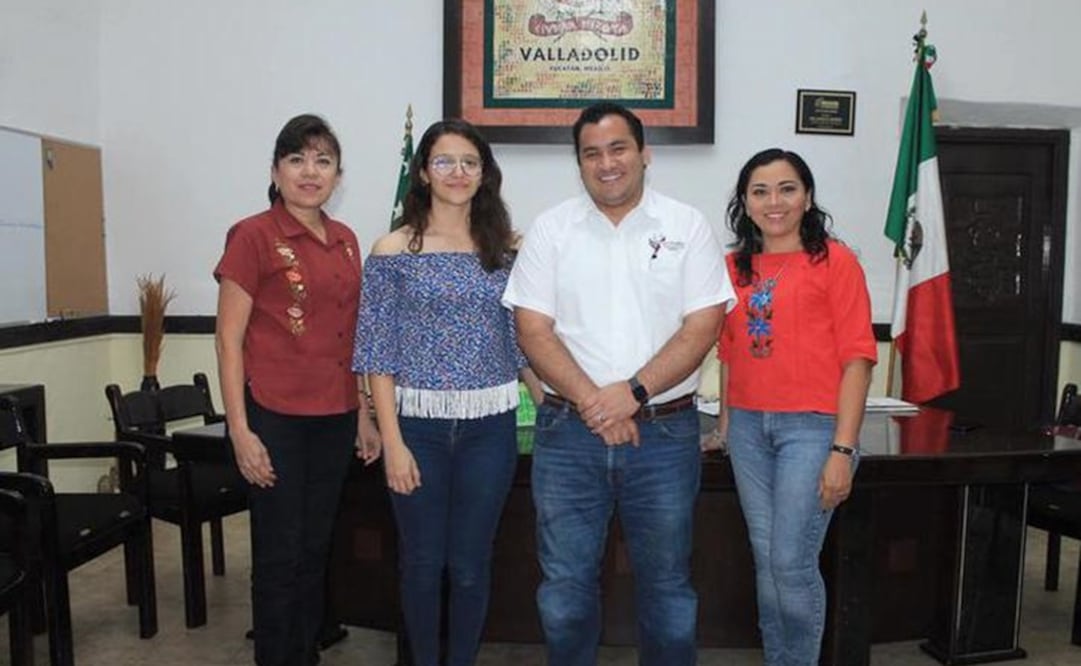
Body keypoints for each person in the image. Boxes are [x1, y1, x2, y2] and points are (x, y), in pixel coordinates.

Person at [503, 102, 735, 666]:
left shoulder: (686, 226)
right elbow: (532, 329)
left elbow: (703, 325)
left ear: (644, 153)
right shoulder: (552, 230)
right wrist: (596, 404)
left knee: (668, 589)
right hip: (569, 434)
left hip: (663, 435)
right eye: (591, 153)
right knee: (564, 592)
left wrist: (630, 394)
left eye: (618, 148)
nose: (606, 163)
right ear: (579, 163)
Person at [352, 118, 539, 666]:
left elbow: (518, 339)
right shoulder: (392, 250)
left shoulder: (504, 250)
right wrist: (393, 442)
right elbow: (377, 351)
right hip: (417, 429)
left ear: (484, 174)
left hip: (490, 428)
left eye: (469, 162)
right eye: (444, 161)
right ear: (423, 173)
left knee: (471, 565)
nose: (458, 172)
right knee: (421, 563)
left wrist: (554, 401)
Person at [214, 113, 381, 666]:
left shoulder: (346, 240)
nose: (310, 172)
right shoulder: (252, 235)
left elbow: (350, 335)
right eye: (297, 159)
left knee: (316, 549)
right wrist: (240, 431)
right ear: (275, 171)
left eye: (323, 161)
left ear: (338, 175)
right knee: (279, 555)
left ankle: (304, 653)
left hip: (334, 416)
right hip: (274, 416)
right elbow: (228, 340)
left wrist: (362, 413)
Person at [715, 148, 876, 665]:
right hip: (747, 430)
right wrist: (725, 422)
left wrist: (842, 449)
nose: (774, 202)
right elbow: (729, 351)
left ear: (807, 197)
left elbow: (858, 359)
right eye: (760, 191)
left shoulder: (836, 261)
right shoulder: (731, 268)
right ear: (745, 202)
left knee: (790, 561)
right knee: (767, 562)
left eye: (787, 189)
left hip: (813, 430)